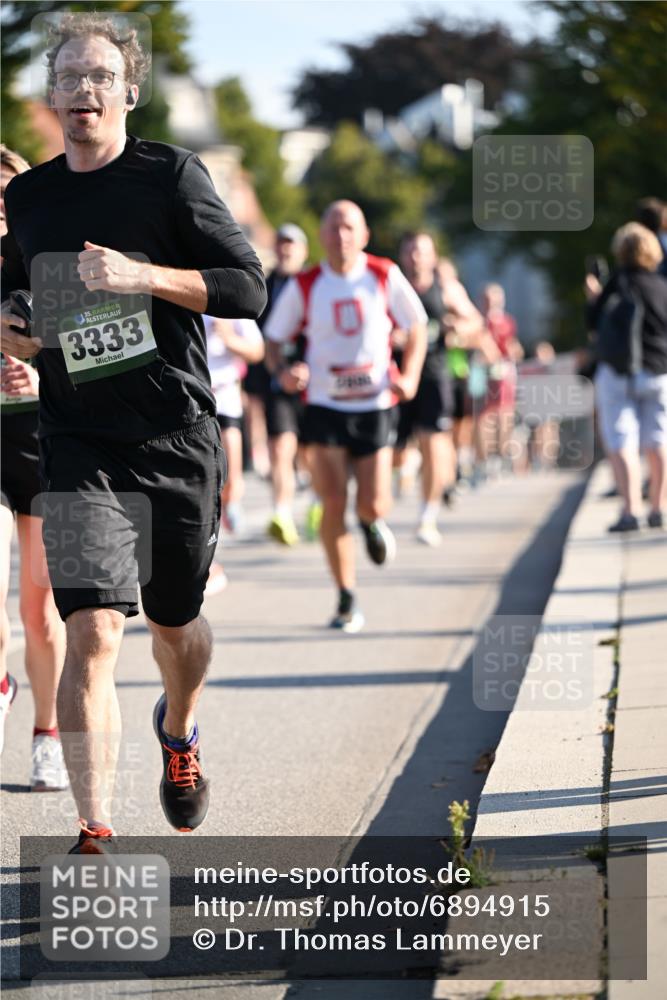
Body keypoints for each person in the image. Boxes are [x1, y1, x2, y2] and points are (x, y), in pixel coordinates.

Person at [0, 14, 266, 851]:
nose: (84, 90)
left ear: (129, 92)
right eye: (70, 77)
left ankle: (178, 729)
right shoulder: (29, 197)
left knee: (175, 625)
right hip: (77, 439)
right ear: (52, 94)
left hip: (174, 435)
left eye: (101, 78)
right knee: (92, 630)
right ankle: (96, 828)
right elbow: (15, 289)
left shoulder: (170, 176)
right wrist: (13, 327)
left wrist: (142, 276)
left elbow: (247, 289)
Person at [265, 200, 426, 632]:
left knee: (371, 502)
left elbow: (418, 325)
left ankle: (372, 522)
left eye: (350, 227)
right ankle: (345, 595)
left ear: (365, 235)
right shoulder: (307, 283)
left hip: (374, 404)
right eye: (334, 228)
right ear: (322, 236)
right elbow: (273, 339)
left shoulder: (383, 274)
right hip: (324, 405)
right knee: (332, 502)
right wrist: (284, 372)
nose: (341, 236)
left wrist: (410, 374)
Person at [0, 145, 67, 789]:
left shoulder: (49, 265)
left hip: (43, 446)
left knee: (40, 610)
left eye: (6, 195)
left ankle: (46, 732)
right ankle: (0, 682)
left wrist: (40, 377)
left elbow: (88, 356)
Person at [587, 222, 667, 531]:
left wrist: (593, 298)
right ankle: (659, 507)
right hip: (658, 369)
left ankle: (631, 510)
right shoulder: (661, 285)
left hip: (617, 370)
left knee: (622, 440)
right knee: (658, 439)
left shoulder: (615, 285)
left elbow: (593, 326)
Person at [260, 224, 313, 546]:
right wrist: (279, 371)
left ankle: (317, 504)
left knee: (311, 453)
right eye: (281, 243)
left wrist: (310, 368)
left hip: (315, 381)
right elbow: (261, 336)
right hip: (277, 378)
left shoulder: (316, 284)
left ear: (304, 251)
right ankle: (281, 513)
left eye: (292, 244)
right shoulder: (264, 285)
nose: (285, 249)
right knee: (281, 447)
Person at [205, 314, 264, 593]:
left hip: (224, 399)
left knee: (229, 482)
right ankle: (207, 557)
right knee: (202, 486)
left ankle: (229, 503)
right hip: (189, 401)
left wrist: (229, 339)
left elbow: (257, 351)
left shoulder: (225, 304)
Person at [477, 283, 523, 474]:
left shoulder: (507, 321)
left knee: (505, 412)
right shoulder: (479, 321)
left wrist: (514, 352)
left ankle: (501, 455)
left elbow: (513, 346)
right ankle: (484, 459)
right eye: (488, 299)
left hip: (504, 371)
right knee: (483, 414)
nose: (492, 303)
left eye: (495, 299)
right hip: (482, 373)